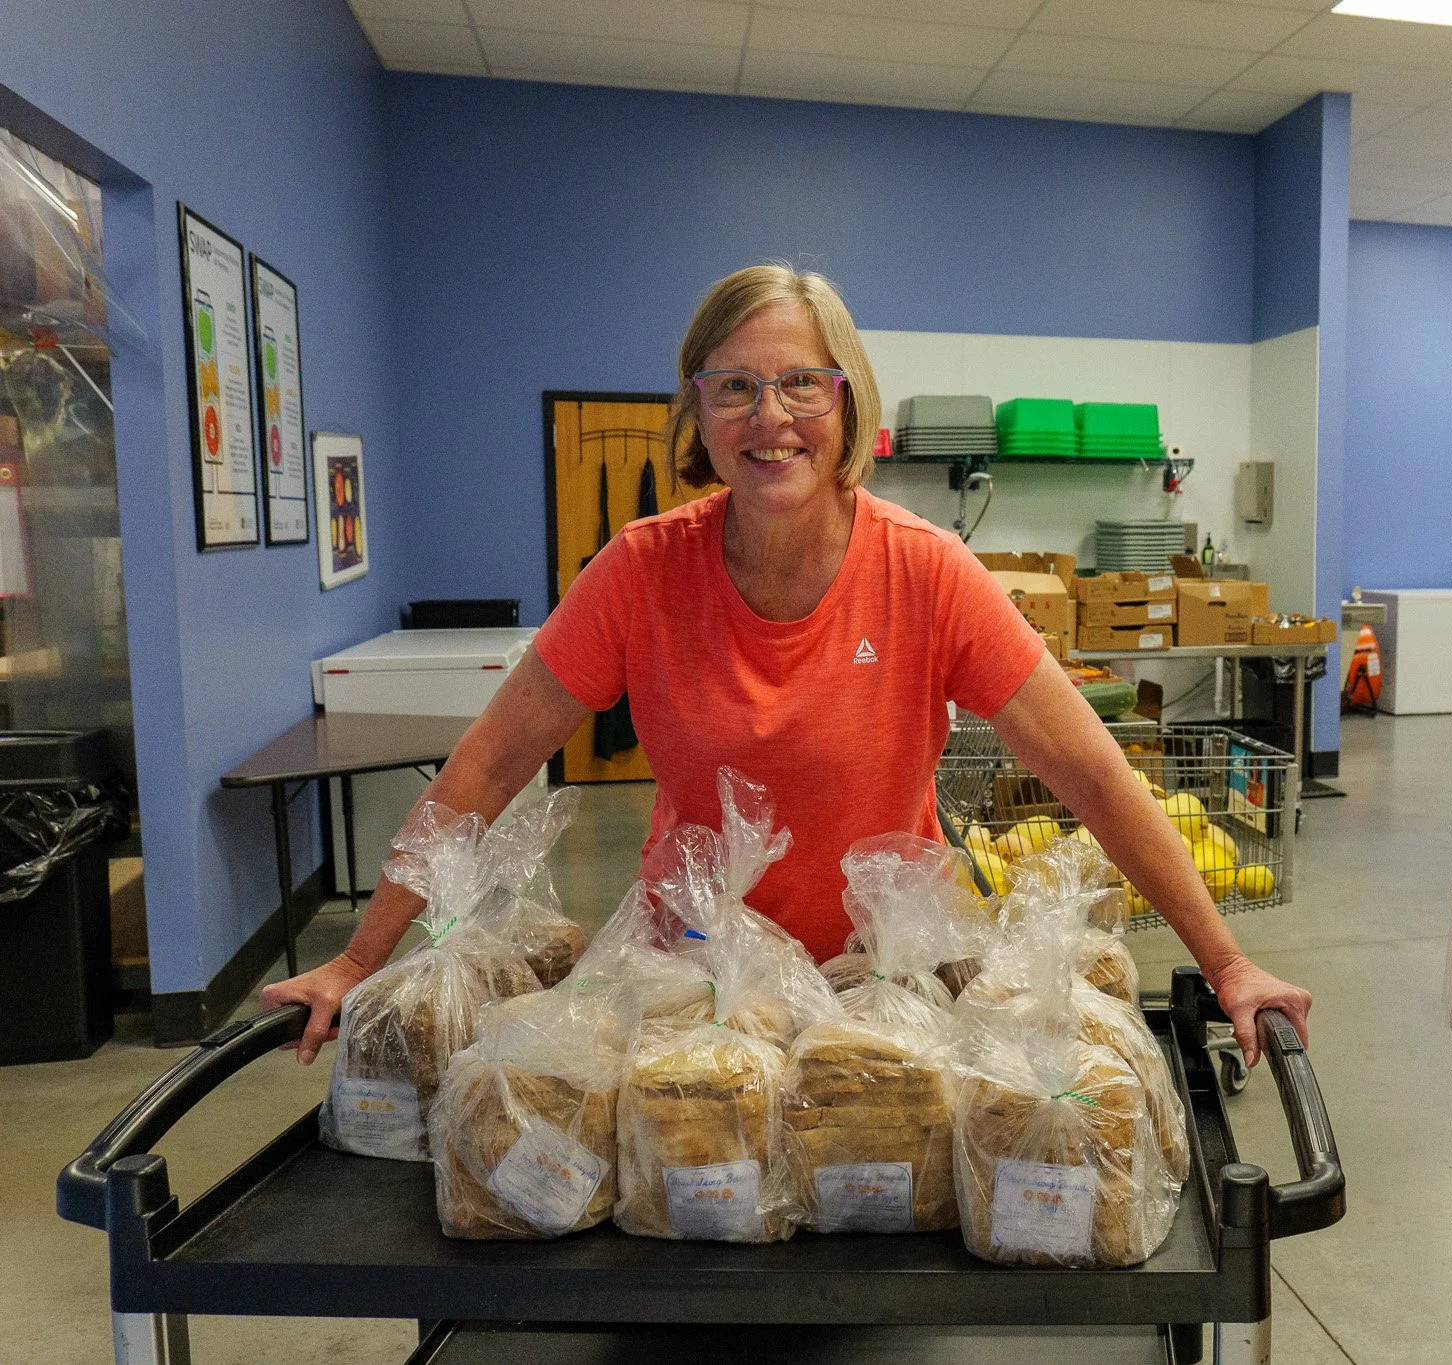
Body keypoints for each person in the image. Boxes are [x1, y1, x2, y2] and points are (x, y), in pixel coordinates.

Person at [264, 263, 1311, 1067]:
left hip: (883, 981)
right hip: (694, 980)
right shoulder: (639, 572)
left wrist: (1225, 964)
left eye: (801, 384)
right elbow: (485, 769)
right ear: (696, 412)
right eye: (735, 387)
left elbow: (1092, 774)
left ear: (847, 402)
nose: (770, 417)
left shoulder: (926, 573)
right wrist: (359, 963)